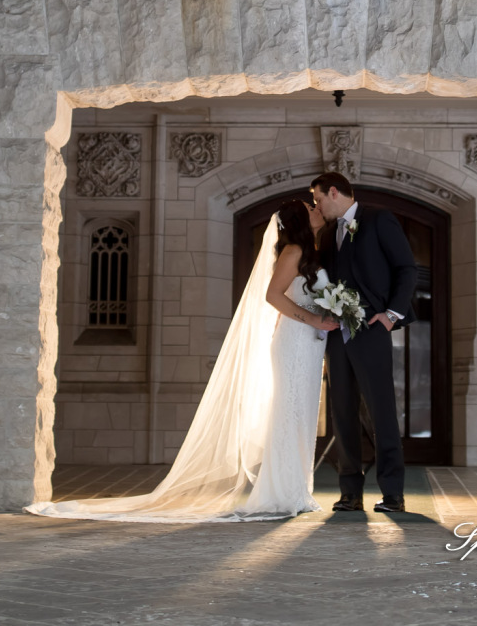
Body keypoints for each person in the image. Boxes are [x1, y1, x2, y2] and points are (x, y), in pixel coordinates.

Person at [25, 200, 338, 522]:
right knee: (288, 414)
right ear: (301, 219)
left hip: (310, 345)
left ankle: (298, 491)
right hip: (294, 341)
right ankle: (280, 494)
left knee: (301, 415)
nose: (316, 208)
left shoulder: (311, 251)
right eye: (310, 207)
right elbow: (272, 296)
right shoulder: (294, 252)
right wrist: (313, 320)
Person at [311, 172, 417, 513]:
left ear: (333, 191)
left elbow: (406, 268)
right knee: (342, 412)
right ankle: (350, 493)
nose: (317, 206)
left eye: (318, 199)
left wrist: (391, 315)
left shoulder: (377, 219)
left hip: (372, 328)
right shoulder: (327, 235)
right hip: (337, 335)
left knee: (381, 410)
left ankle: (393, 494)